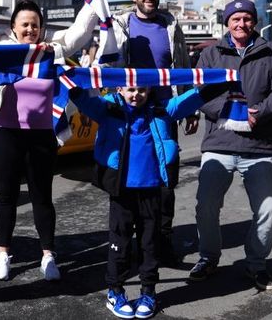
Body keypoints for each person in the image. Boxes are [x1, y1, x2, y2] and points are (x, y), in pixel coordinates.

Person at [0, 0, 100, 282]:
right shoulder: (0, 49)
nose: (30, 29)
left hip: (41, 137)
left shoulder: (52, 50)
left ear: (42, 28)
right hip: (6, 135)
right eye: (24, 24)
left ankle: (48, 255)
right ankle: (3, 255)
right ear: (13, 28)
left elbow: (80, 31)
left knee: (42, 197)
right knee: (6, 197)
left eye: (35, 25)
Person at [71, 83, 209, 320]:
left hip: (151, 190)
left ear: (150, 91)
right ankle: (115, 292)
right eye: (131, 90)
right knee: (119, 243)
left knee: (150, 244)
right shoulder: (108, 108)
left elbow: (192, 98)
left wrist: (221, 82)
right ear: (120, 90)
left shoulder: (162, 109)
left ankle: (148, 292)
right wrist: (69, 81)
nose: (136, 95)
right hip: (121, 192)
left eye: (142, 90)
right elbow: (83, 99)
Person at [190, 0, 272, 291]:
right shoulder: (210, 54)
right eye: (235, 19)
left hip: (258, 145)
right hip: (219, 144)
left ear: (255, 21)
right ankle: (208, 258)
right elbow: (201, 92)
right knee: (206, 206)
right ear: (227, 22)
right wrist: (231, 110)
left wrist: (258, 112)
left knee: (268, 207)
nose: (241, 24)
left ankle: (257, 263)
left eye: (247, 18)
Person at [111, 0, 196, 266]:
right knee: (131, 181)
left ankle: (162, 241)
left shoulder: (171, 25)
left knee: (165, 180)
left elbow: (183, 66)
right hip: (131, 113)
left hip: (165, 110)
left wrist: (190, 109)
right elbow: (110, 64)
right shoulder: (121, 25)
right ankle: (134, 244)